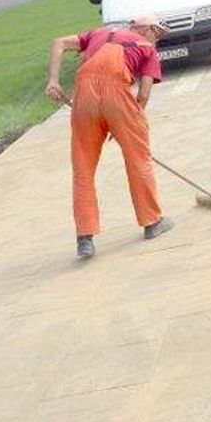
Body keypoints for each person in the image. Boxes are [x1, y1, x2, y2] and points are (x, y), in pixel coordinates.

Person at [45, 14, 174, 259]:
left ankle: (85, 237)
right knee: (139, 160)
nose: (157, 40)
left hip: (84, 95)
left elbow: (58, 43)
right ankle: (152, 222)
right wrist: (127, 124)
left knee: (83, 168)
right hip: (117, 94)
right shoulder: (147, 49)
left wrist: (53, 81)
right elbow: (143, 95)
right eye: (157, 34)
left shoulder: (99, 33)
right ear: (145, 30)